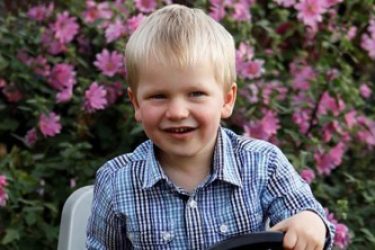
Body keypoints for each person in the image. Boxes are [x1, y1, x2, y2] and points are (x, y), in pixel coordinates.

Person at [86, 4, 335, 250]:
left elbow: (309, 218)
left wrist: (310, 222)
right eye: (158, 96)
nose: (177, 112)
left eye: (196, 93)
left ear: (226, 100)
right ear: (136, 103)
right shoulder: (116, 182)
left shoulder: (262, 164)